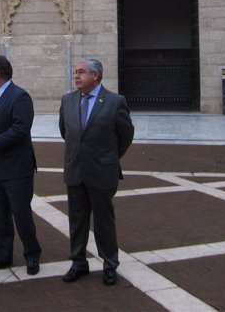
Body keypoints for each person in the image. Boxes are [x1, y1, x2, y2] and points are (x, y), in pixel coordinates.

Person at [58, 58, 134, 286]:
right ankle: (78, 261)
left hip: (101, 172)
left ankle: (110, 264)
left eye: (81, 72)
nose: (77, 76)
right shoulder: (68, 100)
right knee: (77, 220)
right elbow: (66, 131)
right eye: (76, 72)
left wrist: (108, 158)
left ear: (96, 76)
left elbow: (125, 136)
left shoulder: (114, 102)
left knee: (104, 222)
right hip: (75, 171)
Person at [0, 55, 42, 275]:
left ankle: (32, 255)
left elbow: (20, 129)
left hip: (16, 169)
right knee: (0, 216)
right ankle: (3, 255)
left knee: (21, 215)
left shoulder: (20, 97)